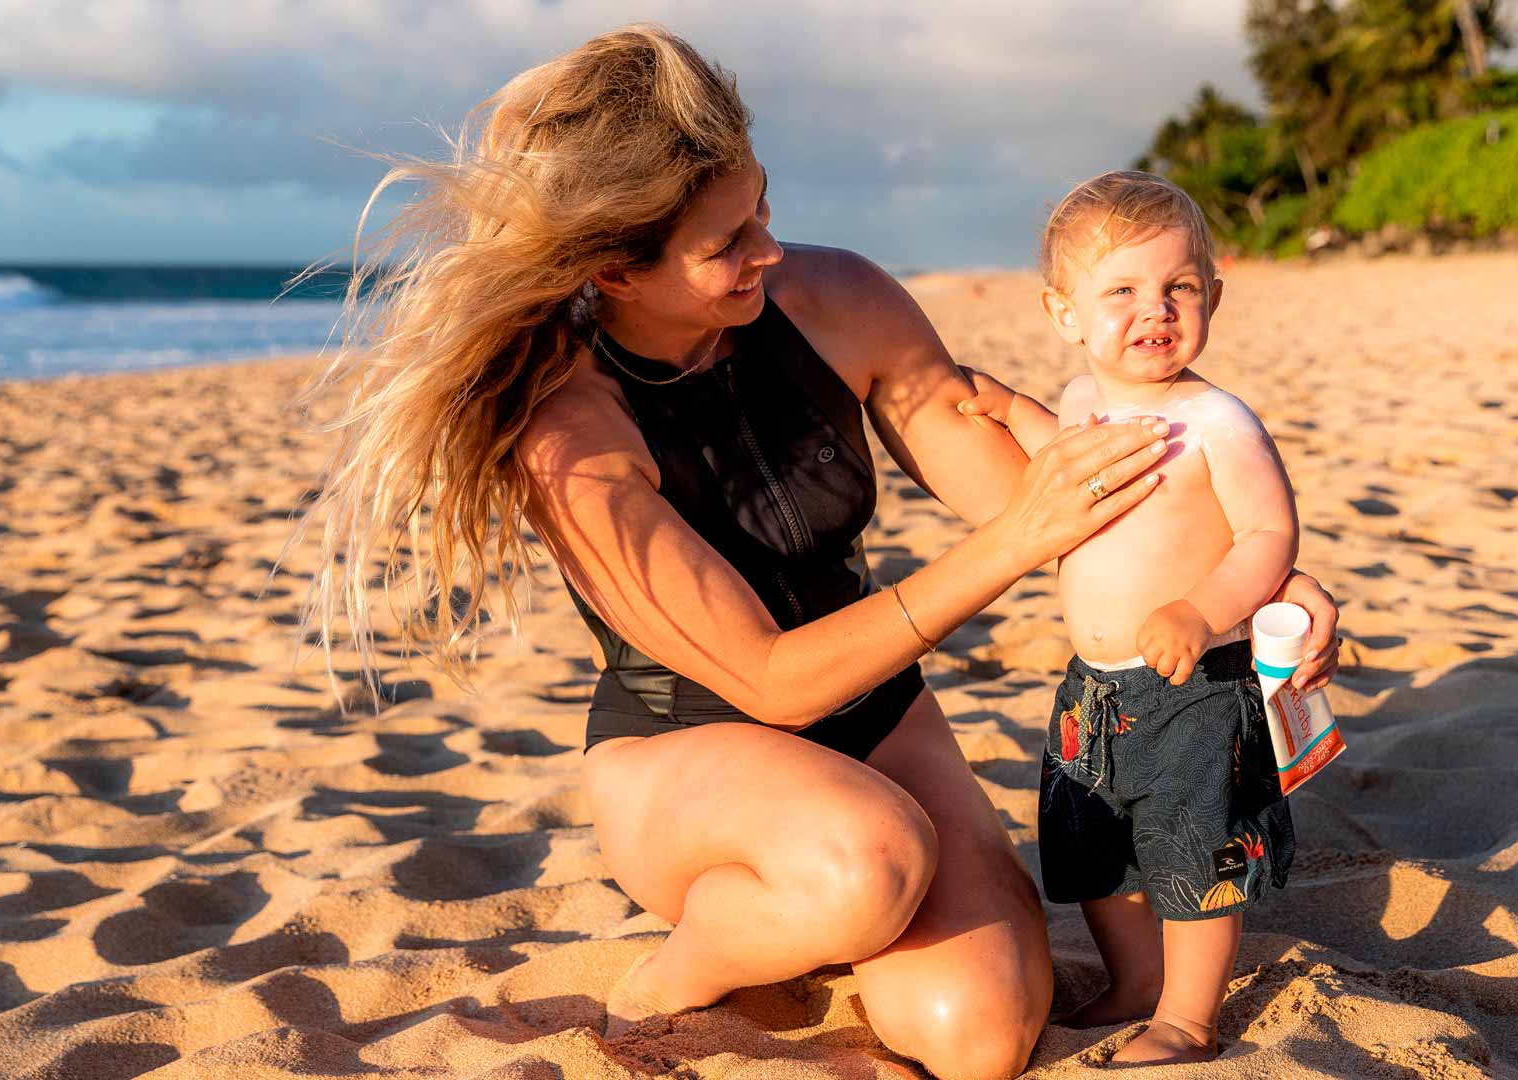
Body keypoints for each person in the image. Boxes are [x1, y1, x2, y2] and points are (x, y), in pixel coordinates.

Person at [296, 27, 1340, 1080]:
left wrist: (1259, 585)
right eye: (726, 243)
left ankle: (841, 911)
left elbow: (1052, 496)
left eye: (763, 208)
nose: (769, 251)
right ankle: (678, 973)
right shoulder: (573, 433)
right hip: (690, 751)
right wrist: (1015, 543)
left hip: (880, 718)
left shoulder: (836, 299)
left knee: (975, 1039)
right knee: (862, 864)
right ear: (615, 265)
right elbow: (772, 682)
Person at [958, 171, 1301, 1065]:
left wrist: (1204, 607)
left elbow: (1269, 532)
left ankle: (1187, 1016)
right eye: (1123, 291)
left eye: (1179, 288)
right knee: (1092, 845)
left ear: (1213, 297)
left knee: (1196, 855)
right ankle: (1136, 981)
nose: (1156, 310)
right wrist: (1011, 410)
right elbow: (1067, 458)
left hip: (1192, 684)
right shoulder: (1080, 402)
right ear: (1064, 312)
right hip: (1094, 689)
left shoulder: (1216, 421)